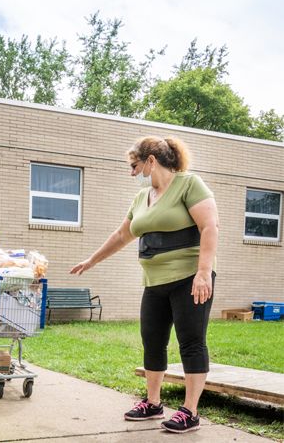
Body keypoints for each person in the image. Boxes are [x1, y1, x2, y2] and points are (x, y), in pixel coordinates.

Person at [70, 136, 218, 434]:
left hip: (189, 279)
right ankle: (153, 403)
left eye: (135, 165)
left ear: (151, 161)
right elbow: (122, 235)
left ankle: (190, 411)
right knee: (152, 340)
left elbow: (209, 226)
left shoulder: (190, 184)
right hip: (154, 281)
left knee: (191, 342)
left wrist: (204, 272)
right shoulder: (142, 198)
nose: (132, 173)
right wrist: (92, 260)